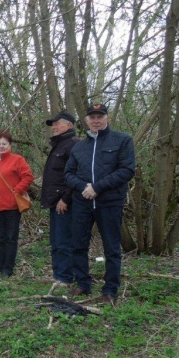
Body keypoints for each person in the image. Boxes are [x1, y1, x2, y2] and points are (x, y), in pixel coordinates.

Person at [64, 104, 135, 303]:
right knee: (78, 244)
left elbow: (127, 170)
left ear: (107, 118)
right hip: (82, 202)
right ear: (86, 120)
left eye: (100, 116)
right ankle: (83, 284)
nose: (96, 120)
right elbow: (68, 173)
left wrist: (97, 187)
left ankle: (110, 289)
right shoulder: (79, 146)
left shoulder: (122, 140)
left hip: (110, 202)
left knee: (111, 248)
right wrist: (83, 187)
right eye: (92, 117)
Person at [0, 130, 34, 277]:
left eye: (4, 144)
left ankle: (8, 268)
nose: (1, 146)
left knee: (11, 238)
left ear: (10, 145)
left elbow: (28, 177)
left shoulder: (17, 160)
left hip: (12, 206)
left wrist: (17, 190)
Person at [42, 112, 80, 285]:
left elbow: (75, 176)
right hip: (54, 201)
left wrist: (66, 199)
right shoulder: (58, 145)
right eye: (53, 124)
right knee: (56, 241)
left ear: (69, 126)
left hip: (65, 203)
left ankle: (66, 277)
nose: (54, 127)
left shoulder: (73, 145)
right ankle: (58, 274)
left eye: (57, 124)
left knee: (64, 241)